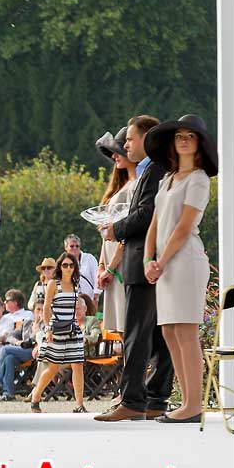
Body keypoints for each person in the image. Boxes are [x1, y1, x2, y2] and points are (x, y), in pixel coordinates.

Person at [96, 115, 173, 422]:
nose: (125, 144)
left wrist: (117, 229)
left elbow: (145, 214)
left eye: (129, 138)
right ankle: (155, 398)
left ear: (146, 138)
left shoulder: (154, 169)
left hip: (141, 260)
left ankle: (132, 400)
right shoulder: (152, 170)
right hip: (142, 260)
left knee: (138, 334)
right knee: (155, 334)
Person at [143, 114, 218, 423]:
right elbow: (156, 223)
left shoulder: (199, 179)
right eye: (179, 136)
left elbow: (185, 227)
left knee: (186, 332)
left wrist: (161, 261)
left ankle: (193, 405)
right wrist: (149, 259)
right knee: (170, 331)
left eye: (190, 135)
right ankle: (186, 402)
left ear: (199, 143)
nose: (184, 139)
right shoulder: (167, 179)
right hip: (164, 265)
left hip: (185, 262)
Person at [30, 252, 87, 414]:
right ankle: (36, 396)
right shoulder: (53, 284)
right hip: (56, 330)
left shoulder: (76, 284)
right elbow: (46, 308)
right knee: (53, 368)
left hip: (73, 328)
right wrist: (48, 328)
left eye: (71, 265)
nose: (68, 268)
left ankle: (79, 404)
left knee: (78, 365)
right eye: (65, 265)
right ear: (60, 267)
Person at [94, 127, 138, 337]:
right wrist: (102, 264)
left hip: (121, 265)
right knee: (120, 331)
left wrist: (110, 268)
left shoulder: (137, 186)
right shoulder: (122, 186)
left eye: (119, 151)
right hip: (110, 264)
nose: (114, 156)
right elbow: (107, 234)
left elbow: (129, 230)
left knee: (129, 328)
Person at [0, 298, 45, 402]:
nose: (40, 312)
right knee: (9, 359)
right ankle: (8, 393)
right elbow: (9, 336)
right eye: (38, 309)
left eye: (43, 310)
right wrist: (17, 342)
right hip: (22, 350)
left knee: (5, 349)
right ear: (33, 311)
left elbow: (40, 339)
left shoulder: (47, 325)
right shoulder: (27, 323)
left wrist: (36, 330)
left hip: (36, 352)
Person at [63, 234, 101, 305]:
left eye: (77, 246)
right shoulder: (63, 262)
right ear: (65, 247)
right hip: (71, 300)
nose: (75, 248)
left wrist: (96, 296)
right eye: (72, 246)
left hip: (89, 299)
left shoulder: (89, 258)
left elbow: (97, 277)